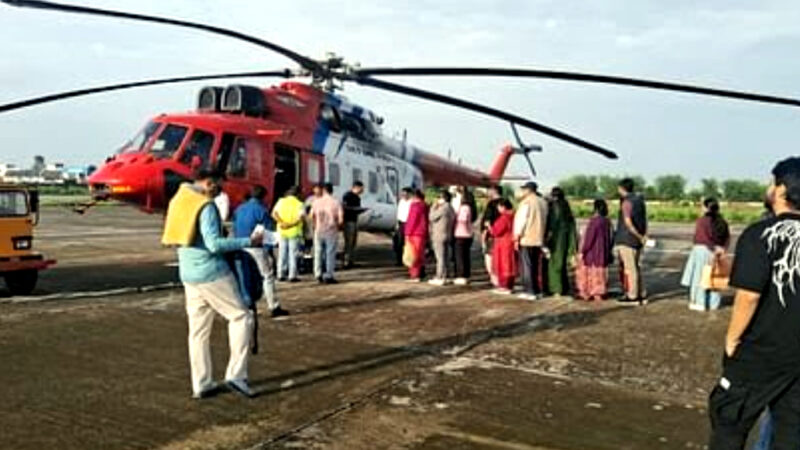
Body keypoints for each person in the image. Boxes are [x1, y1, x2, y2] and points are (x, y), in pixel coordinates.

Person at [708, 157, 800, 450]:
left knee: (728, 419)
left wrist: (732, 339)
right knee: (790, 430)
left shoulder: (759, 234)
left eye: (771, 181)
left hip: (761, 351)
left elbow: (749, 296)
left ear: (781, 189)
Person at [162, 170, 260, 399]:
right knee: (241, 317)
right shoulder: (205, 206)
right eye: (218, 186)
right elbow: (214, 244)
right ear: (208, 182)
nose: (220, 190)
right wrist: (249, 241)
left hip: (188, 272)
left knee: (198, 332)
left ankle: (202, 383)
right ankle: (236, 375)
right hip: (211, 272)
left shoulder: (180, 199)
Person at [232, 185, 288, 318]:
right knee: (267, 276)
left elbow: (234, 227)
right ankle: (273, 306)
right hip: (256, 247)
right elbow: (267, 233)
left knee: (244, 276)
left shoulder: (239, 209)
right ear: (263, 197)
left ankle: (247, 303)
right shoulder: (261, 210)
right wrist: (269, 252)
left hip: (240, 245)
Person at [681, 198, 731, 311]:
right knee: (714, 277)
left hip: (702, 251)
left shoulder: (702, 221)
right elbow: (727, 238)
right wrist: (721, 249)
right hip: (717, 252)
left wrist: (713, 247)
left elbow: (701, 237)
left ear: (706, 208)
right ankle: (714, 304)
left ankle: (699, 303)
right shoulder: (722, 221)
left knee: (699, 278)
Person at [614, 177, 648, 305]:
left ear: (622, 188)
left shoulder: (627, 202)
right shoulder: (640, 200)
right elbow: (644, 219)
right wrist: (643, 236)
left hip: (627, 239)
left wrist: (639, 235)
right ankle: (641, 293)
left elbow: (628, 222)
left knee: (630, 269)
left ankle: (633, 296)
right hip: (637, 240)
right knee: (637, 267)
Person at [514, 181, 549, 300]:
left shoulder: (526, 203)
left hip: (527, 238)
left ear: (528, 190)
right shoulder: (543, 202)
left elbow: (521, 221)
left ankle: (529, 291)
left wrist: (516, 236)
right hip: (539, 237)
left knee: (526, 266)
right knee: (535, 266)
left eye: (524, 189)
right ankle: (537, 290)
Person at [575, 199, 614, 301]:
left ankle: (586, 293)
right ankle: (599, 293)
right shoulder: (607, 221)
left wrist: (582, 251)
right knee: (600, 274)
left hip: (592, 253)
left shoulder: (594, 221)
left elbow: (589, 239)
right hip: (603, 252)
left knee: (587, 273)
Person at [545, 187, 578, 297]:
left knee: (555, 265)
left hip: (556, 239)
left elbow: (551, 226)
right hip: (566, 238)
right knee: (562, 264)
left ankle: (556, 289)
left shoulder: (555, 208)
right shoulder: (566, 207)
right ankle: (564, 287)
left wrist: (547, 239)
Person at [310, 183, 344, 284]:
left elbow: (311, 215)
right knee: (330, 253)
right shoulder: (336, 202)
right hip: (331, 230)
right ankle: (329, 275)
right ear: (331, 190)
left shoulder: (316, 202)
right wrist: (337, 226)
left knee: (318, 252)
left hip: (319, 230)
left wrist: (315, 225)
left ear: (323, 190)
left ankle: (317, 274)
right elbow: (341, 219)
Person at [272, 186, 305, 282]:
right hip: (294, 232)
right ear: (298, 194)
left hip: (282, 231)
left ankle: (280, 274)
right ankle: (292, 275)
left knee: (282, 253)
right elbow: (300, 218)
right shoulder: (299, 204)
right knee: (293, 254)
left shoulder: (281, 201)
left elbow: (274, 214)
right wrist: (290, 225)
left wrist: (282, 223)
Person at [489, 199, 517, 295]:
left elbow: (496, 231)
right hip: (511, 242)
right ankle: (510, 286)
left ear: (503, 207)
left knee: (502, 265)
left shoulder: (504, 218)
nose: (498, 209)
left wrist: (489, 227)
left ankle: (504, 286)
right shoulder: (514, 216)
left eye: (499, 207)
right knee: (510, 264)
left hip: (503, 243)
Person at [428, 189, 455, 286]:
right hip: (448, 234)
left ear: (443, 198)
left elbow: (431, 217)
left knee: (440, 257)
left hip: (439, 235)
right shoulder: (451, 208)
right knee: (446, 256)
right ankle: (446, 275)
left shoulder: (443, 208)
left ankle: (439, 276)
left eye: (439, 197)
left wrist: (433, 207)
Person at [453, 187, 477, 285]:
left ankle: (461, 275)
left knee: (460, 256)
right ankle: (466, 274)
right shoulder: (471, 208)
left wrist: (455, 217)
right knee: (465, 256)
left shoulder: (464, 208)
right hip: (468, 234)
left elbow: (462, 220)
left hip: (461, 233)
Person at [481, 185, 504, 287]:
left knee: (489, 257)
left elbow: (487, 221)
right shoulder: (507, 203)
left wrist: (484, 234)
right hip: (503, 234)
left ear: (494, 191)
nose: (487, 192)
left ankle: (494, 279)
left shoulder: (491, 204)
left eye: (489, 190)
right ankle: (501, 278)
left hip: (492, 234)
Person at [404, 189, 429, 282]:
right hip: (422, 232)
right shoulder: (425, 206)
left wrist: (407, 233)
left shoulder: (415, 206)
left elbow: (412, 220)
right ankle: (421, 273)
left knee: (413, 254)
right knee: (420, 253)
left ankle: (415, 274)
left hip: (414, 233)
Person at [342, 181, 365, 268]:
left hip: (354, 220)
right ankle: (346, 261)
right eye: (361, 188)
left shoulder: (357, 197)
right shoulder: (348, 196)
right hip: (348, 221)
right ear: (357, 187)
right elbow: (345, 207)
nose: (362, 190)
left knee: (353, 242)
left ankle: (351, 260)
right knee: (349, 242)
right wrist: (355, 209)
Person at [394, 187, 412, 266]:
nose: (403, 195)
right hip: (401, 223)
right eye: (402, 194)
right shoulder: (401, 202)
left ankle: (407, 260)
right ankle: (399, 260)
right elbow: (399, 213)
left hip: (408, 223)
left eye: (405, 194)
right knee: (399, 242)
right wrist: (397, 224)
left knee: (407, 243)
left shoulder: (411, 202)